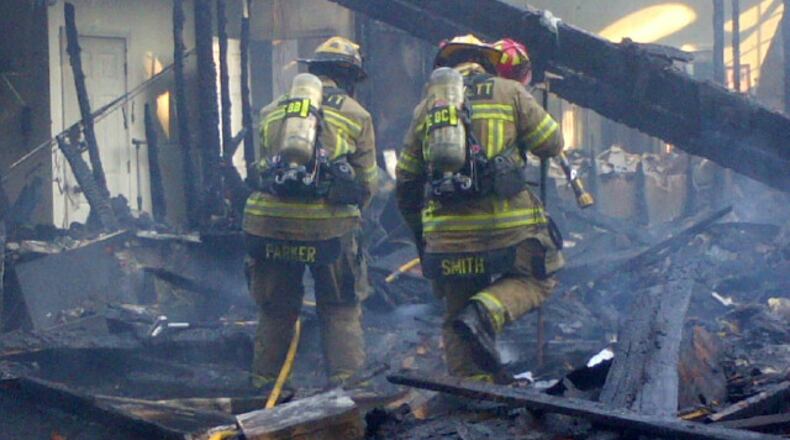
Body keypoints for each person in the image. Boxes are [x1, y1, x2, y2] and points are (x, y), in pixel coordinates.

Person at [396, 35, 565, 383]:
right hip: (507, 230)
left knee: (456, 313)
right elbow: (552, 144)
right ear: (486, 61)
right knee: (538, 278)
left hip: (447, 238)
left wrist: (423, 237)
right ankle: (486, 311)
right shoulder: (510, 92)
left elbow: (406, 178)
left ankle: (474, 394)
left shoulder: (426, 107)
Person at [243, 36, 377, 388]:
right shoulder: (356, 114)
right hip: (328, 229)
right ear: (349, 77)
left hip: (268, 224)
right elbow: (367, 183)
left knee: (275, 310)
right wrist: (352, 217)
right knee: (340, 307)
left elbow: (260, 169)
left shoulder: (273, 110)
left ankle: (263, 389)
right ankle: (348, 390)